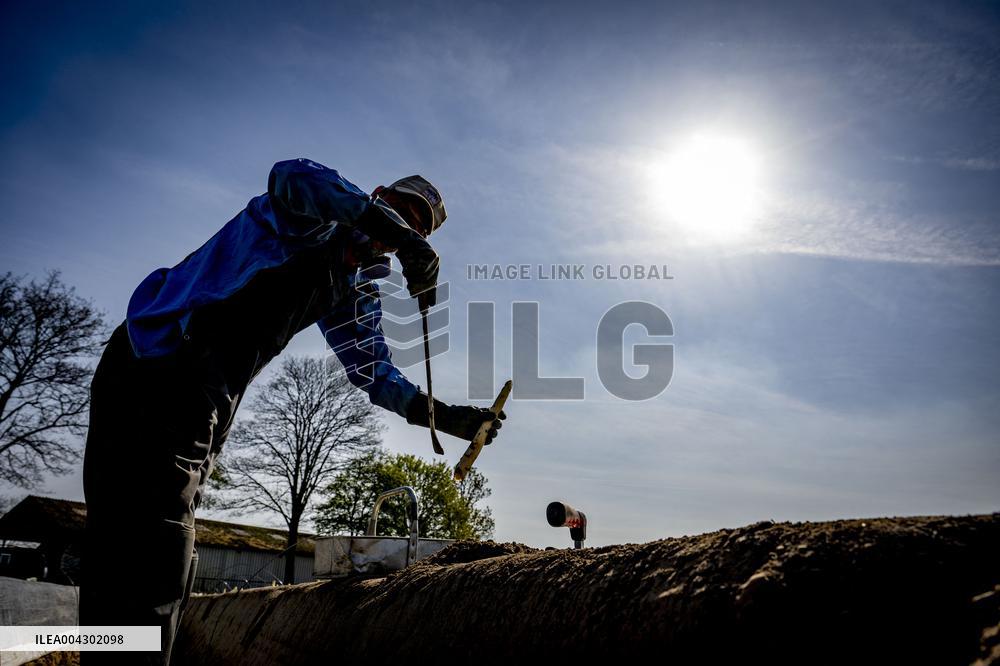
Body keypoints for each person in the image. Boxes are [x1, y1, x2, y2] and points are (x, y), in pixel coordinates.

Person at [80, 158, 505, 664]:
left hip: (202, 395)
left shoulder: (352, 287)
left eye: (416, 228)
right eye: (400, 212)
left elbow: (375, 373)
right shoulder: (310, 212)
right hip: (159, 357)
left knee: (128, 536)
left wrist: (447, 417)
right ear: (376, 195)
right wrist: (389, 227)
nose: (403, 230)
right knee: (154, 542)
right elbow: (290, 175)